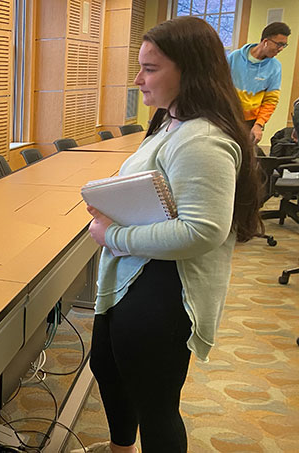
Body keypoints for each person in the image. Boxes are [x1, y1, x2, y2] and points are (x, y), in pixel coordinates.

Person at [80, 17, 263, 453]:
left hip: (165, 288)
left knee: (155, 403)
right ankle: (120, 448)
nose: (139, 80)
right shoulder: (171, 123)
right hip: (137, 277)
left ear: (191, 70)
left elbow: (202, 230)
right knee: (109, 367)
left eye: (151, 69)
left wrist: (115, 235)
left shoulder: (203, 138)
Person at [227, 21, 291, 144]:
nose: (281, 49)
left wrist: (259, 125)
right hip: (228, 116)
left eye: (284, 45)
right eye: (279, 44)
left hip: (251, 122)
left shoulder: (275, 67)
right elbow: (219, 85)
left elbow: (271, 100)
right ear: (265, 41)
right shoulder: (234, 58)